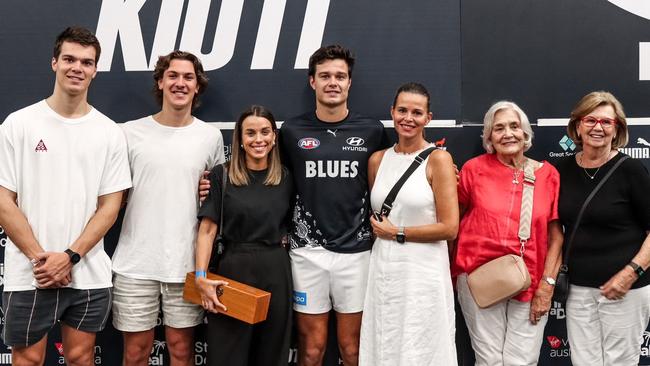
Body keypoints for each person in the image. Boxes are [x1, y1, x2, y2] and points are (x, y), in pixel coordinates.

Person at [0, 27, 131, 365]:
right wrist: (41, 261)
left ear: (95, 70)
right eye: (69, 59)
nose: (77, 67)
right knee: (27, 360)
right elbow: (3, 201)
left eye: (87, 62)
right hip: (31, 275)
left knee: (80, 357)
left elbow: (110, 207)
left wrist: (69, 257)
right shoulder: (19, 124)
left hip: (87, 270)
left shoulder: (110, 133)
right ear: (54, 62)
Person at [110, 51, 224, 366]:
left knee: (182, 351)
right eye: (173, 76)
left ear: (197, 86)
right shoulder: (129, 133)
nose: (180, 83)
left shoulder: (210, 137)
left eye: (188, 77)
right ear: (160, 81)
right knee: (135, 354)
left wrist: (208, 192)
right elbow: (112, 196)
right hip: (135, 263)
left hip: (186, 264)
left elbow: (216, 199)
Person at [279, 44, 388, 366]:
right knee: (312, 349)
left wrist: (435, 171)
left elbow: (394, 176)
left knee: (352, 349)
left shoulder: (371, 130)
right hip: (306, 253)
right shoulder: (292, 131)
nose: (333, 82)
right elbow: (271, 181)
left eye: (340, 76)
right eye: (325, 75)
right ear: (312, 81)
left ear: (349, 82)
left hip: (356, 252)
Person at [452, 101, 563, 365]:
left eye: (514, 126)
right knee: (488, 360)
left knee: (522, 361)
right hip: (478, 276)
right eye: (498, 128)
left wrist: (547, 286)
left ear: (525, 133)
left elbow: (556, 236)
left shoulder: (548, 175)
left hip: (531, 280)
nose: (508, 133)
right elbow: (452, 220)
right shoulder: (473, 169)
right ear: (489, 137)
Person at [359, 82, 459, 365]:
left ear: (428, 118)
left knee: (421, 345)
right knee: (385, 341)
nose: (408, 118)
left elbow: (450, 227)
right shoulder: (377, 160)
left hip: (423, 274)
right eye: (402, 110)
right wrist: (388, 234)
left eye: (417, 112)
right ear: (392, 112)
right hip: (384, 270)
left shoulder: (439, 160)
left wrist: (397, 232)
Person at [556, 91, 650, 366]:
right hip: (578, 290)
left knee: (620, 362)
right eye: (591, 120)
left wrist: (631, 273)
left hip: (625, 289)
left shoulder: (631, 170)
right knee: (584, 362)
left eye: (607, 122)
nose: (598, 127)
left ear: (617, 128)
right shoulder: (561, 169)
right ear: (577, 125)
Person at [195, 105, 294, 366]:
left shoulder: (285, 177)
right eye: (250, 133)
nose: (258, 139)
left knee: (271, 355)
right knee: (228, 357)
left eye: (264, 132)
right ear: (239, 138)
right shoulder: (222, 175)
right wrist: (201, 276)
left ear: (274, 137)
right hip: (232, 272)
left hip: (276, 270)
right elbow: (207, 229)